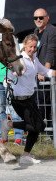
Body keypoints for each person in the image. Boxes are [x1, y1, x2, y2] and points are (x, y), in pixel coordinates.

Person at [1, 34, 56, 165]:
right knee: (35, 126)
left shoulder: (34, 59)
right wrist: (10, 78)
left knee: (40, 126)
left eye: (34, 47)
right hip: (19, 100)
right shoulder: (21, 60)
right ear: (24, 45)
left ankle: (25, 155)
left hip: (30, 99)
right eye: (30, 46)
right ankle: (9, 125)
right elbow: (8, 77)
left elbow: (45, 71)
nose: (32, 49)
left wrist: (53, 73)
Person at [33, 8, 56, 140]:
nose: (38, 20)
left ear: (47, 18)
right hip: (37, 75)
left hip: (47, 76)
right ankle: (47, 133)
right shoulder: (36, 32)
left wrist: (44, 72)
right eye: (35, 18)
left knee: (50, 104)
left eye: (41, 17)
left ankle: (53, 135)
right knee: (41, 103)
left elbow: (51, 52)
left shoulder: (52, 30)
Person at [0, 59, 24, 145]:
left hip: (11, 79)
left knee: (14, 109)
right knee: (0, 110)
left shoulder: (10, 47)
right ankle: (3, 137)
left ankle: (18, 137)